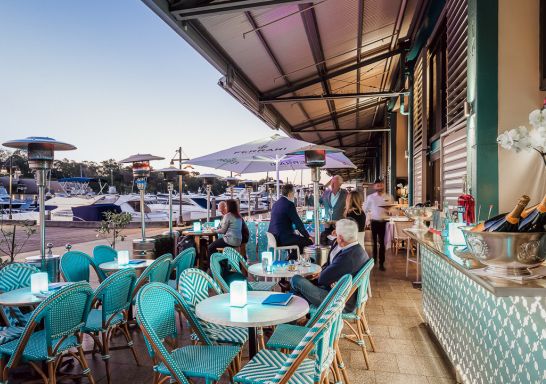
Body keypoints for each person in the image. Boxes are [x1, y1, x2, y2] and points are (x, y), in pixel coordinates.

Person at [290, 219, 369, 312]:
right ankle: (302, 319)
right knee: (301, 288)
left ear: (340, 238)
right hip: (342, 294)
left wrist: (321, 276)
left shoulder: (347, 257)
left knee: (296, 280)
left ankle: (293, 320)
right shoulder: (357, 249)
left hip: (339, 301)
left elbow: (322, 279)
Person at [268, 184, 313, 259]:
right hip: (282, 239)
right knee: (307, 241)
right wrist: (308, 236)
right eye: (293, 193)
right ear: (289, 194)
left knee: (298, 240)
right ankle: (290, 260)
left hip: (273, 237)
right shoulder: (289, 204)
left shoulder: (275, 204)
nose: (294, 195)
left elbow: (283, 222)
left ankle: (291, 258)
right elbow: (298, 223)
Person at [363, 179, 393, 271]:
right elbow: (366, 208)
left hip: (384, 222)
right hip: (374, 221)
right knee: (374, 243)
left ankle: (381, 263)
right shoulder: (370, 197)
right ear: (374, 187)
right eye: (378, 185)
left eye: (381, 185)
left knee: (382, 243)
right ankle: (374, 260)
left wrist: (389, 211)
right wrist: (369, 215)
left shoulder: (388, 197)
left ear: (383, 186)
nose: (379, 187)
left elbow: (392, 209)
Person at [319, 175, 348, 244]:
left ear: (340, 184)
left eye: (335, 183)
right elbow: (318, 202)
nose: (332, 184)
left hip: (339, 225)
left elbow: (349, 206)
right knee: (326, 243)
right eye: (332, 182)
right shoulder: (326, 193)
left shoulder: (345, 194)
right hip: (327, 225)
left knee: (338, 244)